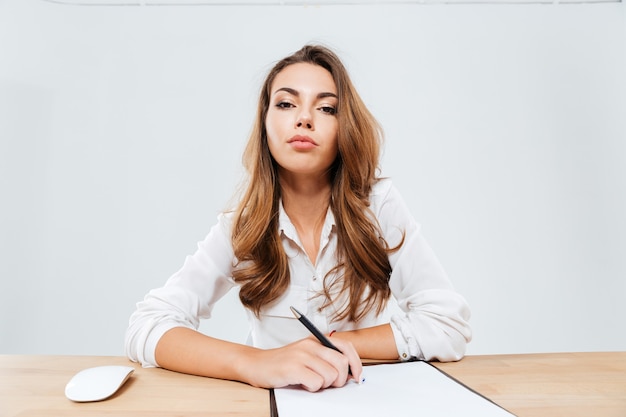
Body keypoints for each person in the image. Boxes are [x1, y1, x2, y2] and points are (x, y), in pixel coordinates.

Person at [125, 44, 471, 393]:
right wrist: (255, 362)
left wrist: (333, 345)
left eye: (326, 108)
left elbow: (447, 324)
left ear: (344, 126)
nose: (304, 118)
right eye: (287, 104)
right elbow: (148, 324)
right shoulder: (242, 225)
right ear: (264, 122)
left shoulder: (377, 206)